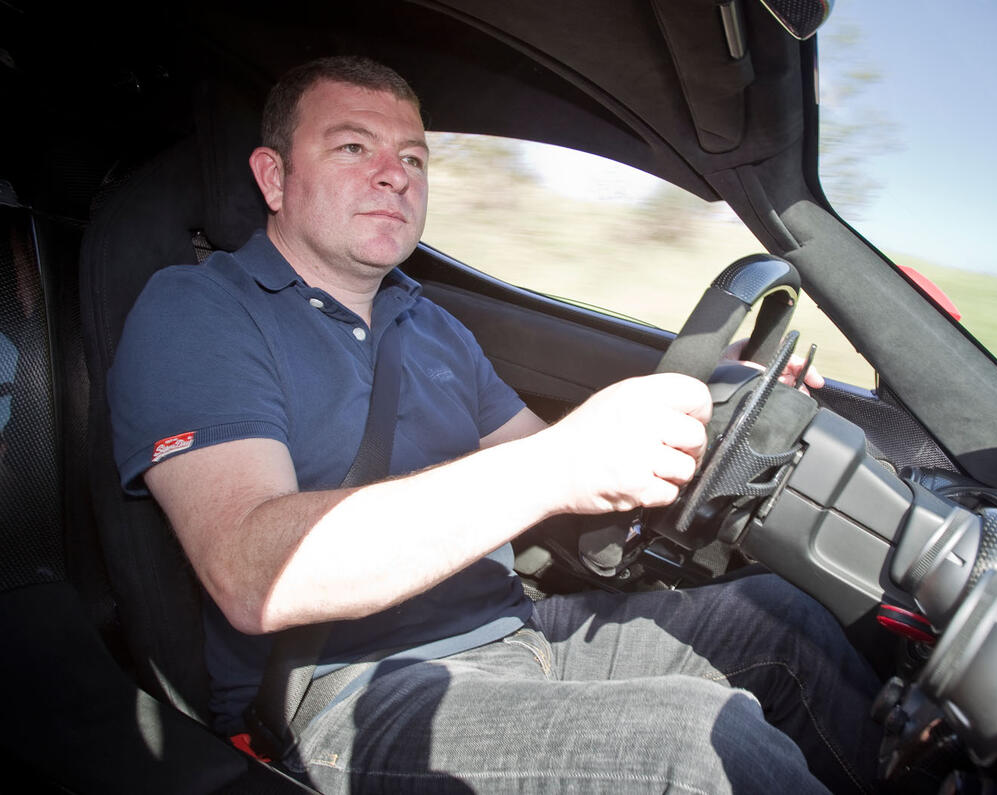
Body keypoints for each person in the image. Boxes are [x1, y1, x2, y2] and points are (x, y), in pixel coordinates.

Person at [109, 56, 882, 794]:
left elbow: (549, 467)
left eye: (414, 159)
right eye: (353, 146)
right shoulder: (199, 311)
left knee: (783, 620)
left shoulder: (433, 324)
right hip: (350, 686)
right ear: (274, 178)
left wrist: (705, 405)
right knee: (700, 747)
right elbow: (253, 572)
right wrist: (560, 463)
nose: (394, 174)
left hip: (518, 629)